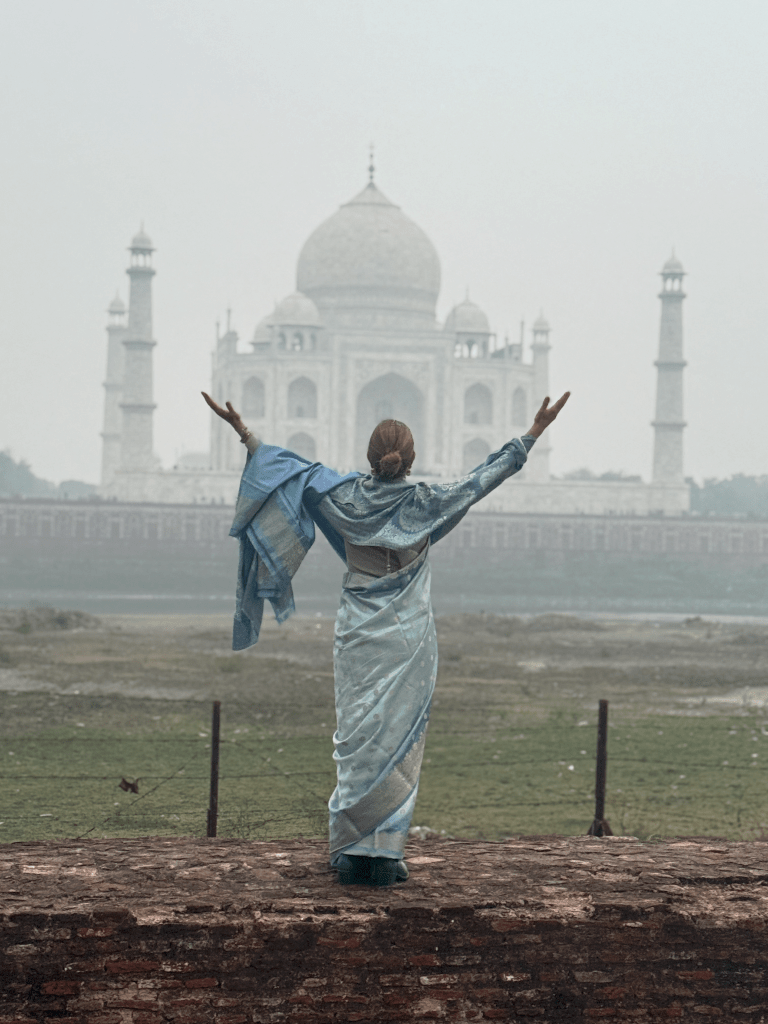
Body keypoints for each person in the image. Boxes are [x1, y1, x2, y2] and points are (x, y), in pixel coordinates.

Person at [202, 388, 569, 886]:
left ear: (371, 458)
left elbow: (283, 469)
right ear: (410, 460)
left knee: (356, 736)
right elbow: (484, 479)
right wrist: (533, 433)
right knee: (398, 739)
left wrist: (243, 431)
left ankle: (350, 851)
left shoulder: (343, 497)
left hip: (358, 628)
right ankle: (386, 854)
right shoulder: (428, 503)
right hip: (409, 635)